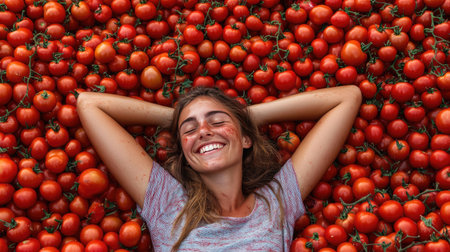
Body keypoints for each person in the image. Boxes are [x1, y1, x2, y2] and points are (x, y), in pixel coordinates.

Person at [77, 85, 362, 251]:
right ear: (184, 153)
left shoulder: (278, 201)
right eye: (190, 129)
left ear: (246, 138)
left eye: (217, 121)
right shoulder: (165, 201)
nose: (202, 131)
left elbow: (348, 97)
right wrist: (176, 119)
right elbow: (90, 105)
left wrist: (245, 117)